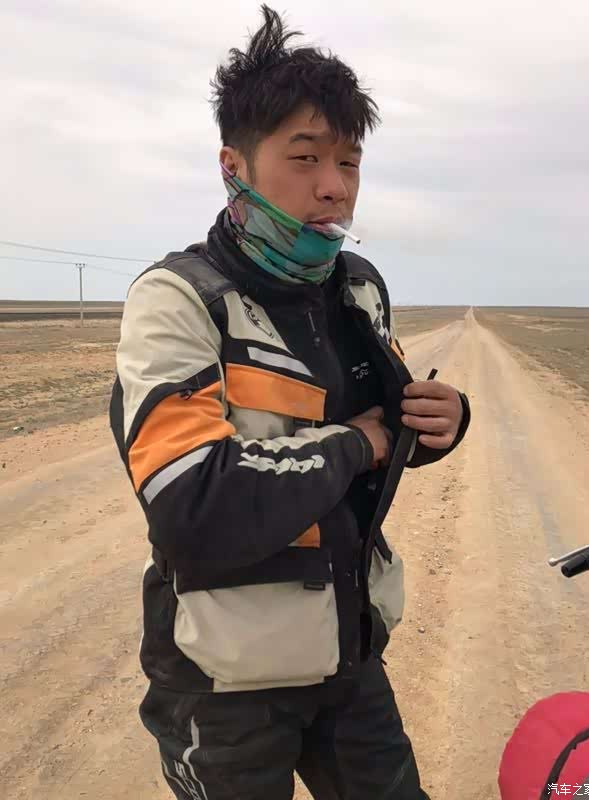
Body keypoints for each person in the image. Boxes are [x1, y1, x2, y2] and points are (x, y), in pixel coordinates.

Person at [109, 5, 470, 798]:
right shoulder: (178, 298)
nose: (334, 187)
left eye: (349, 162)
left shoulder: (358, 288)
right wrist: (360, 443)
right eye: (304, 158)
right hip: (224, 683)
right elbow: (193, 505)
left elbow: (388, 416)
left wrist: (440, 422)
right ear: (234, 165)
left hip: (348, 653)